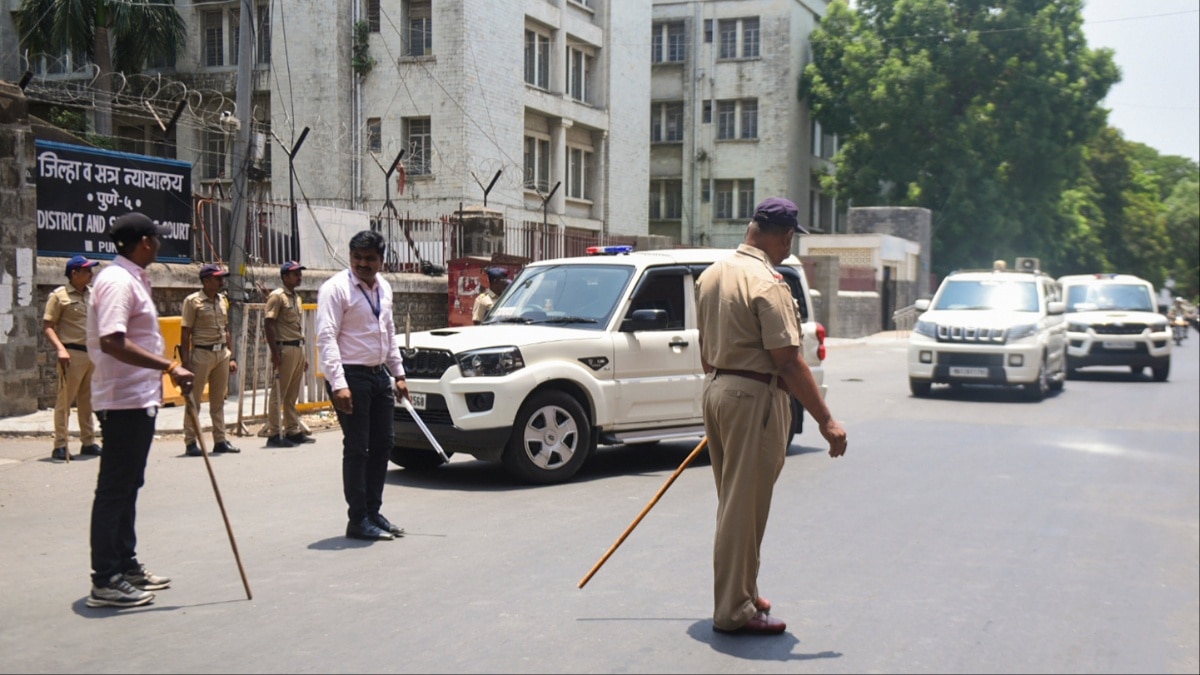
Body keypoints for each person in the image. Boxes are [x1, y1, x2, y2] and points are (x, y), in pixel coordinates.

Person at [695, 196, 848, 635]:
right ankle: (733, 610)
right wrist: (826, 420)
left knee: (736, 502)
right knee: (744, 507)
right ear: (782, 236)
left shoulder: (712, 275)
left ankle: (742, 590)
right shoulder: (767, 281)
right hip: (753, 397)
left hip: (719, 389)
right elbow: (787, 360)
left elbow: (706, 352)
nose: (788, 248)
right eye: (789, 241)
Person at [85, 212, 196, 608]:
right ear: (144, 242)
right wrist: (168, 366)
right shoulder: (116, 282)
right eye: (156, 238)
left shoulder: (132, 278)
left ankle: (126, 564)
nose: (160, 244)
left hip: (139, 397)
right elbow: (112, 341)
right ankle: (106, 578)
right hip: (122, 398)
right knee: (115, 488)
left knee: (130, 484)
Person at [316, 230, 409, 541]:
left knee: (384, 444)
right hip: (351, 376)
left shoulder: (384, 288)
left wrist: (398, 374)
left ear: (381, 260)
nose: (363, 264)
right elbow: (326, 338)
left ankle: (373, 511)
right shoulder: (336, 289)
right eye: (357, 258)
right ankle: (357, 519)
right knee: (358, 448)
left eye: (370, 258)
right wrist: (338, 383)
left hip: (378, 375)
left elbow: (389, 331)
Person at [43, 255, 102, 461]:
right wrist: (60, 349)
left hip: (92, 353)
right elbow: (48, 326)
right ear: (74, 273)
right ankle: (60, 444)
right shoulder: (59, 296)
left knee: (87, 401)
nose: (90, 274)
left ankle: (88, 441)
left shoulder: (93, 295)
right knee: (65, 401)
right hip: (72, 353)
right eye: (86, 271)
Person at [180, 264, 240, 456]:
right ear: (206, 281)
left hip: (221, 353)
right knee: (194, 400)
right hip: (201, 354)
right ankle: (191, 441)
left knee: (218, 401)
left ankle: (220, 440)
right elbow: (185, 333)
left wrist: (231, 356)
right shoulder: (193, 301)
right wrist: (185, 363)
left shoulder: (222, 300)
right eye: (217, 278)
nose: (221, 281)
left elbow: (226, 328)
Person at [263, 261, 313, 448]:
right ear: (285, 276)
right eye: (294, 273)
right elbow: (269, 324)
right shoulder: (277, 297)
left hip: (297, 347)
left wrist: (304, 356)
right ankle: (274, 433)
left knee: (292, 394)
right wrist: (275, 352)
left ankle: (293, 430)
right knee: (278, 393)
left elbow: (296, 327)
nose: (299, 276)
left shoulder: (295, 297)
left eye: (299, 273)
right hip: (284, 348)